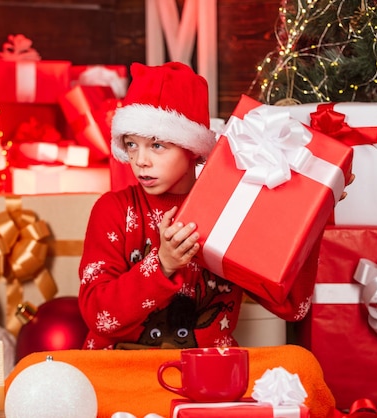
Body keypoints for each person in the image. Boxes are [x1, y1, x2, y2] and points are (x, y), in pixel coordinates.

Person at [78, 61, 329, 350]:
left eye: (157, 145)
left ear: (191, 148)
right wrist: (162, 265)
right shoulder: (113, 210)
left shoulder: (229, 210)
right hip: (124, 371)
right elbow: (100, 317)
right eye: (132, 144)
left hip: (208, 375)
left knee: (301, 368)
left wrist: (313, 214)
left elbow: (291, 306)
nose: (140, 160)